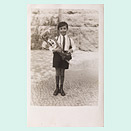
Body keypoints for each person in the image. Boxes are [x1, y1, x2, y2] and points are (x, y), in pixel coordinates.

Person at [51, 21, 76, 96]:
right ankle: (57, 88)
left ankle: (61, 88)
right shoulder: (56, 39)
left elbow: (74, 47)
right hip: (57, 55)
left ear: (67, 29)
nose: (63, 30)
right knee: (57, 72)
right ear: (59, 30)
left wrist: (71, 50)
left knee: (62, 72)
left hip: (65, 55)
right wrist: (55, 49)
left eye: (64, 28)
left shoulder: (69, 39)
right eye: (61, 29)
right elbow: (50, 47)